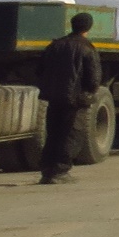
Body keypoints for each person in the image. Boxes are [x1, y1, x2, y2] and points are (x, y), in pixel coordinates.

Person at [37, 11, 103, 184]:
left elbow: (40, 70)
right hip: (75, 99)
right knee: (71, 135)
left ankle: (47, 171)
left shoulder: (54, 45)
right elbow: (94, 78)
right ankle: (59, 172)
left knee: (53, 134)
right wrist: (89, 93)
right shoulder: (87, 47)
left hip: (53, 97)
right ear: (88, 27)